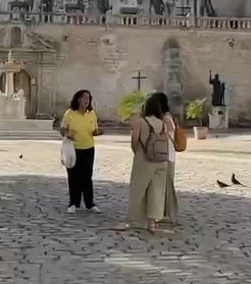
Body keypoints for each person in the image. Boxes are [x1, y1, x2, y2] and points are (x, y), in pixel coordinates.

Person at [113, 93, 170, 234]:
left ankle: (129, 220)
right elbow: (165, 140)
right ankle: (151, 223)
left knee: (137, 190)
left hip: (143, 159)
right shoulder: (162, 123)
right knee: (156, 191)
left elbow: (134, 141)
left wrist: (138, 153)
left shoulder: (140, 122)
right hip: (161, 161)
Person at [60, 90, 102, 214]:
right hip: (73, 149)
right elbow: (62, 129)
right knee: (73, 176)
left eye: (88, 98)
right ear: (78, 99)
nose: (87, 101)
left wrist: (99, 132)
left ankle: (90, 204)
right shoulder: (70, 113)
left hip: (88, 148)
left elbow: (94, 130)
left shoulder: (91, 114)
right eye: (84, 98)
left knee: (87, 176)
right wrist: (67, 134)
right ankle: (73, 203)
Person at [154, 92, 179, 227]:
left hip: (167, 154)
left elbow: (167, 135)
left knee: (168, 186)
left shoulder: (166, 118)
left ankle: (171, 214)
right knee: (163, 186)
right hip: (167, 154)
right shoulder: (166, 117)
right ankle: (163, 213)